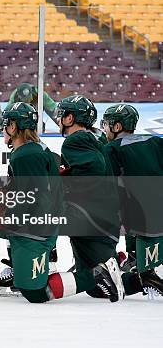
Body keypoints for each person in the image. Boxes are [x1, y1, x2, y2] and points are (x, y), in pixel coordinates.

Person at [0, 102, 123, 302]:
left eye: (5, 124)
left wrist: (4, 218)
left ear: (13, 127)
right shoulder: (36, 148)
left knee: (36, 292)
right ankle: (26, 267)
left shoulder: (33, 153)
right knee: (96, 289)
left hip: (66, 223)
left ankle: (94, 273)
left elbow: (34, 200)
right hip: (84, 218)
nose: (3, 129)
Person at [55, 94, 124, 301]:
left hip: (91, 220)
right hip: (107, 220)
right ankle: (141, 278)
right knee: (98, 288)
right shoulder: (98, 137)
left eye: (62, 115)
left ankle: (34, 270)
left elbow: (93, 170)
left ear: (70, 119)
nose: (59, 120)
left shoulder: (74, 141)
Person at [101, 104, 163, 297]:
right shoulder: (155, 141)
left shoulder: (111, 148)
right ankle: (136, 257)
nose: (104, 128)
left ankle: (135, 266)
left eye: (107, 124)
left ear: (117, 126)